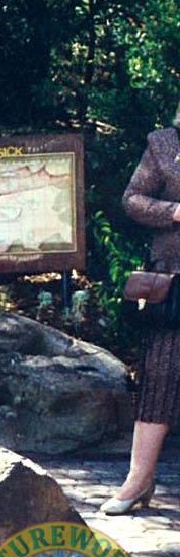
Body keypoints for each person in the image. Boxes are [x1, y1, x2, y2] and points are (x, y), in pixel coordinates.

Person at [101, 115, 180, 515]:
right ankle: (138, 480)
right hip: (174, 282)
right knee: (160, 377)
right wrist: (174, 212)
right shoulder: (164, 144)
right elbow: (132, 199)